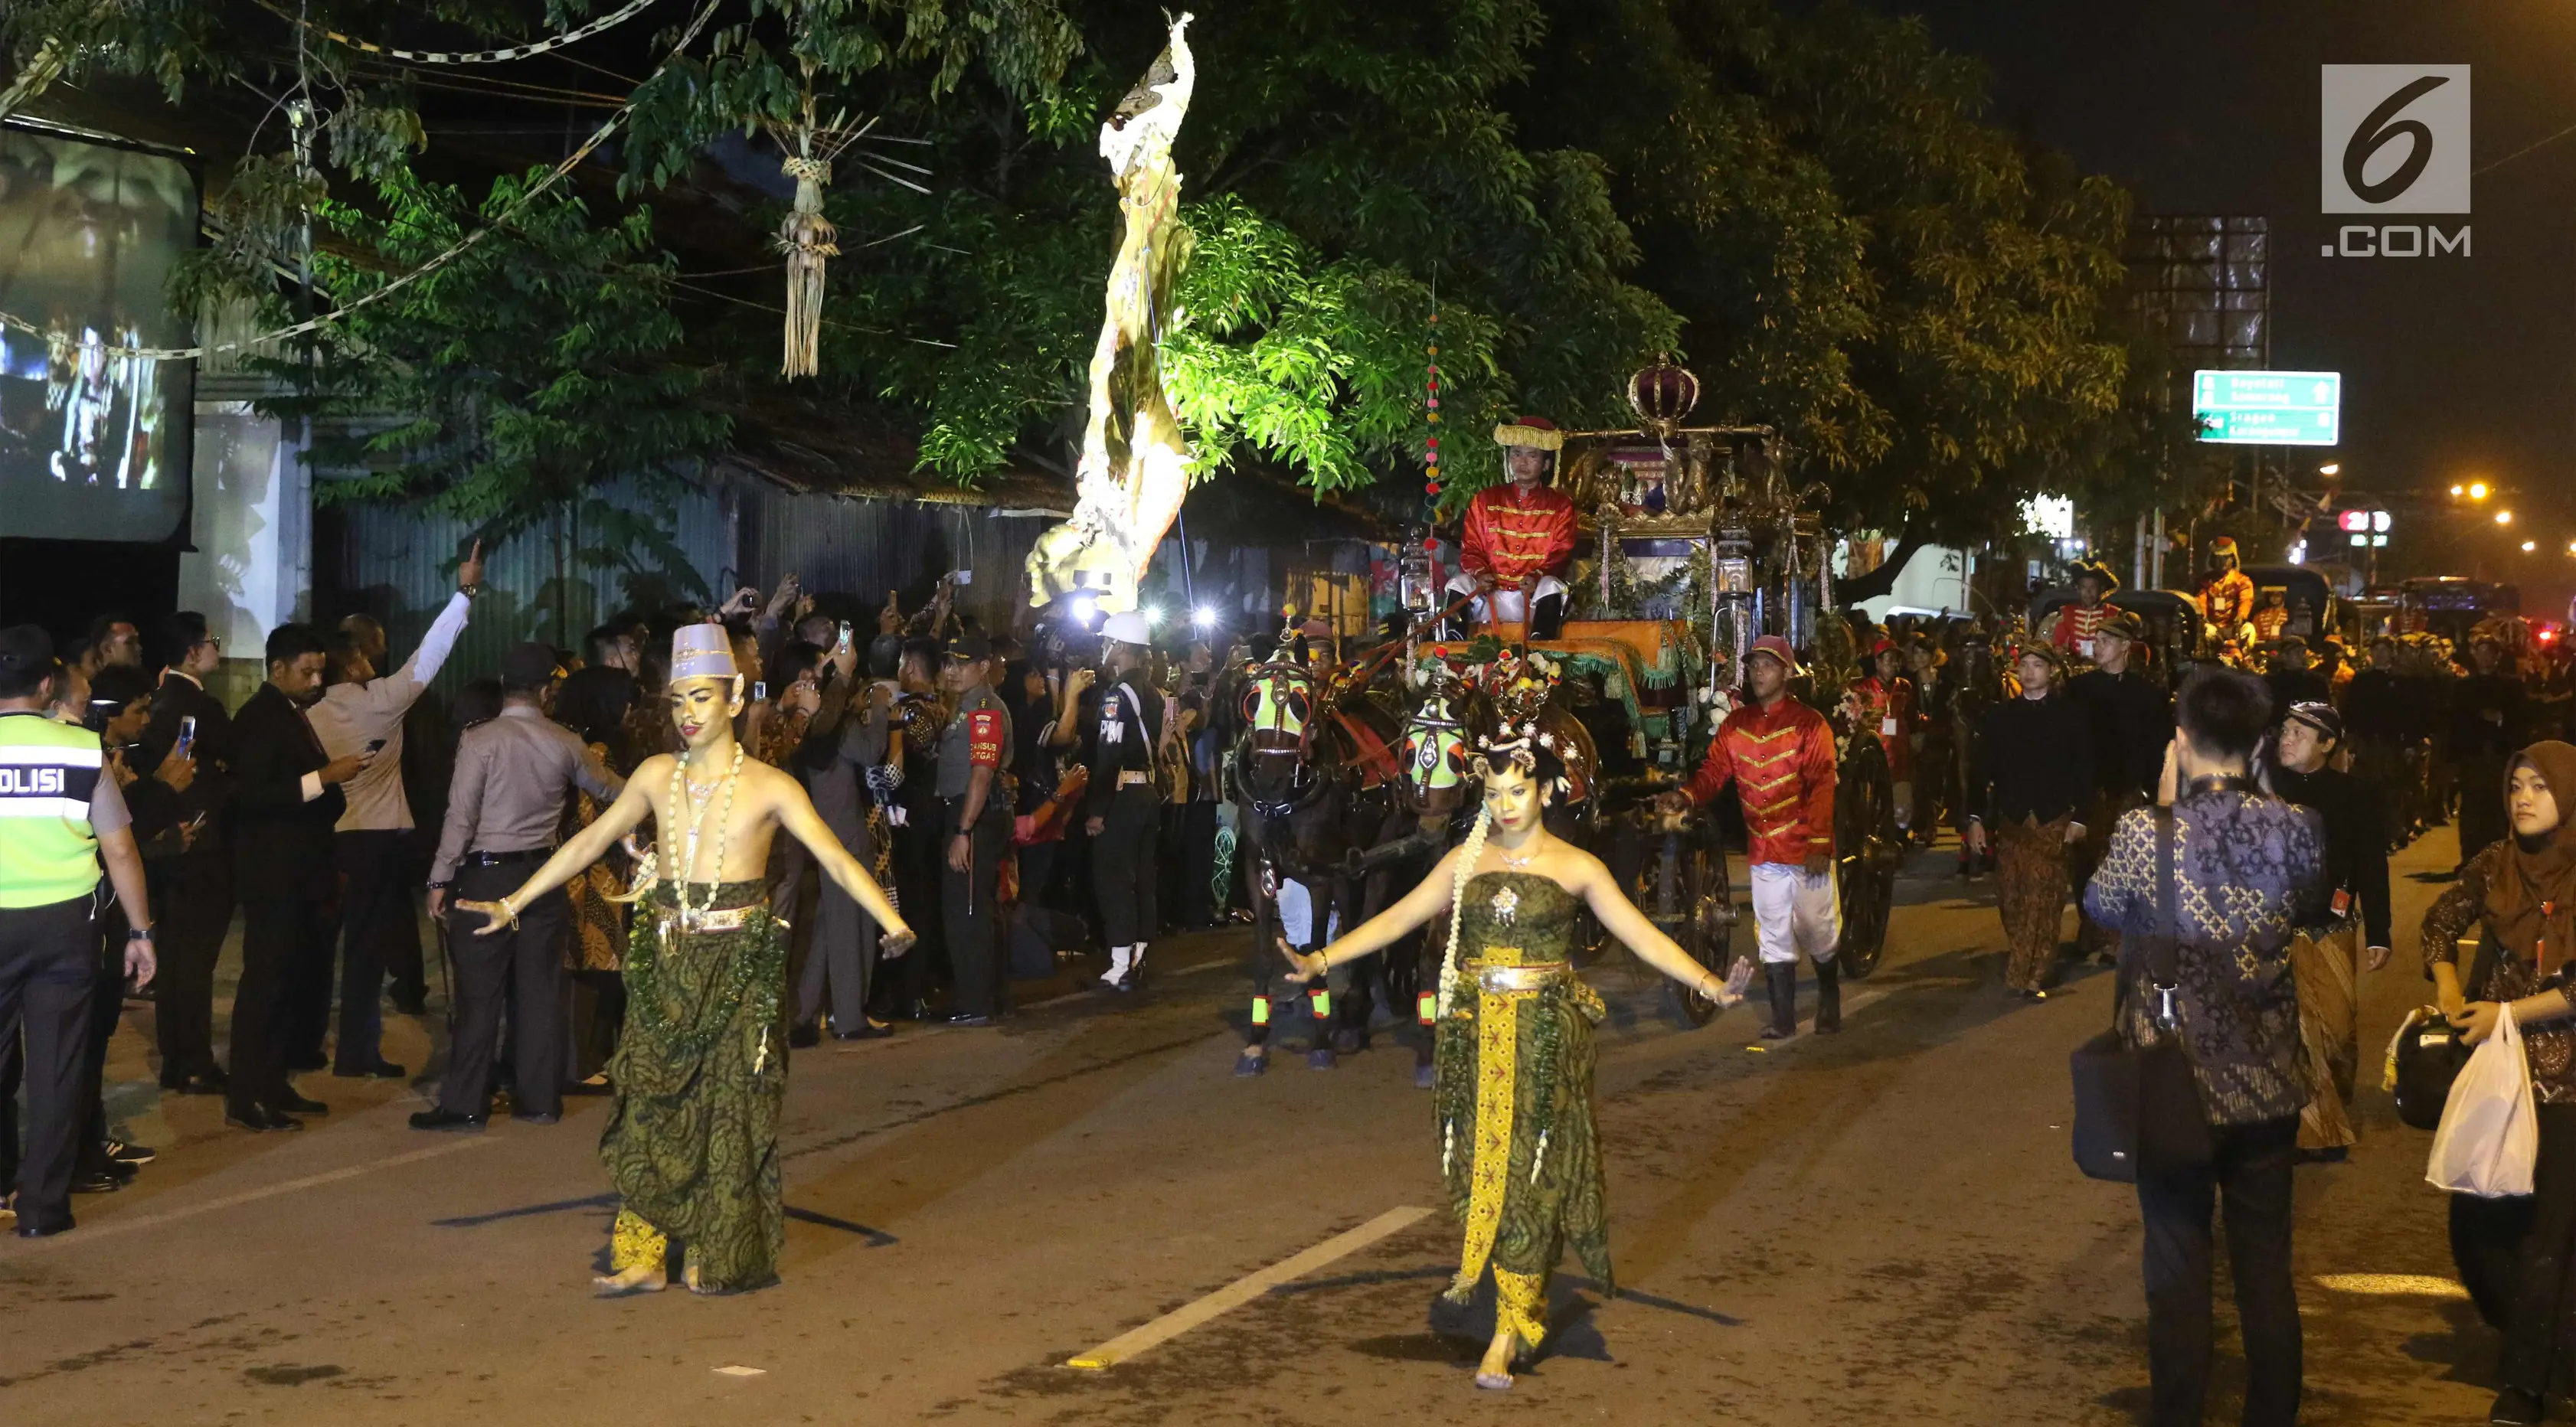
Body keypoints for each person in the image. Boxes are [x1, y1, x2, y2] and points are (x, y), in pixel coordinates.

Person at [450, 624, 915, 1295]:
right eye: (677, 701)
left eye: (701, 698)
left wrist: (891, 921)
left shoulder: (770, 785)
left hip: (741, 961)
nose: (688, 714)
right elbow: (586, 845)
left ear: (732, 702)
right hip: (666, 955)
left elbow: (837, 859)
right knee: (649, 1104)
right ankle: (640, 1253)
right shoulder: (656, 775)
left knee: (729, 1107)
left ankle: (712, 1248)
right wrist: (512, 902)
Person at [1277, 734, 1748, 1389]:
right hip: (1473, 1042)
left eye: (1518, 792)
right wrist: (1321, 962)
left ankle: (1509, 1324)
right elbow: (1400, 918)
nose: (1504, 806)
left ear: (1548, 792)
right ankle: (1506, 1292)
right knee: (1478, 1172)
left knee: (1529, 1176)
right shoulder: (1464, 862)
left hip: (1544, 1042)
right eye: (1493, 794)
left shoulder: (1578, 866)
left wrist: (1710, 984)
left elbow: (1639, 935)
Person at [2083, 667, 2321, 1427]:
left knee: (2178, 1265)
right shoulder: (2297, 826)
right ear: (2257, 743)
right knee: (2263, 1267)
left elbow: (2098, 905)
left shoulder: (2144, 832)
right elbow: (2307, 902)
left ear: (2180, 742)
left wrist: (2161, 803)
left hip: (2174, 1078)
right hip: (2268, 1080)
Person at [2421, 742, 2576, 1425]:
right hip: (2500, 1074)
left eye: (2540, 786)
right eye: (2516, 784)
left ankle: (2527, 1384)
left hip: (2570, 1083)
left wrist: (2507, 1013)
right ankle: (2546, 1347)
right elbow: (2439, 923)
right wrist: (2452, 991)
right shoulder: (2495, 863)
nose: (2524, 797)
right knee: (2478, 1223)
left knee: (2549, 1236)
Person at [415, 645, 623, 1131]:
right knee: (539, 993)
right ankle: (540, 1100)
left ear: (506, 685)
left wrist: (440, 877)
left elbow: (460, 816)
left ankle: (466, 1102)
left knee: (479, 995)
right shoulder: (566, 741)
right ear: (548, 690)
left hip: (486, 876)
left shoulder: (480, 740)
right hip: (543, 879)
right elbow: (612, 789)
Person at [0, 627, 158, 1236]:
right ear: (46, 685)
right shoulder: (81, 750)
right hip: (65, 927)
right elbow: (120, 848)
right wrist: (141, 931)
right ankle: (42, 1209)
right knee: (58, 1068)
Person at [309, 543, 481, 1079]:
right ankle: (357, 1054)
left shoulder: (309, 712)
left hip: (333, 837)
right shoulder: (380, 699)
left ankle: (307, 1043)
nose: (371, 660)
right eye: (363, 656)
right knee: (365, 950)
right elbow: (432, 653)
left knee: (320, 950)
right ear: (353, 663)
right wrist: (465, 591)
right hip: (378, 840)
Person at [226, 625, 372, 1132]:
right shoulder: (260, 718)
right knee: (265, 986)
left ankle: (271, 1083)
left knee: (288, 985)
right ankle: (247, 1095)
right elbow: (249, 796)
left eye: (320, 671)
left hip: (301, 871)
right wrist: (324, 778)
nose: (316, 680)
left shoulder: (289, 714)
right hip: (273, 876)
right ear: (277, 669)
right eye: (306, 671)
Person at [1659, 635, 1839, 1038]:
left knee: (1816, 928)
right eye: (1754, 665)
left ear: (1788, 673)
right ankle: (1783, 1020)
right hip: (1763, 850)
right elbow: (1712, 775)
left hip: (1804, 847)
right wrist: (1685, 796)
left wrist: (1818, 844)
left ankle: (1830, 996)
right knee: (1773, 932)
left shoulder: (1811, 724)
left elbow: (1823, 786)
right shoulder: (1736, 726)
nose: (1758, 672)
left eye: (1768, 665)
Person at [2264, 702, 2389, 1158]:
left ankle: (2332, 1105)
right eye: (2286, 730)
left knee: (2335, 1031)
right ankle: (2312, 1129)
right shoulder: (2262, 791)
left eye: (2300, 732)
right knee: (2288, 1033)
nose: (2288, 738)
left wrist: (2380, 932)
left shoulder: (2356, 795)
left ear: (2327, 744)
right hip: (2273, 931)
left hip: (2330, 928)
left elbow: (2373, 866)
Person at [136, 612, 234, 1096]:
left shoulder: (161, 700)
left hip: (172, 847)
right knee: (193, 962)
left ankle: (178, 1058)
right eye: (212, 641)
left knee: (176, 959)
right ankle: (193, 1060)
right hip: (199, 845)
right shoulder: (195, 704)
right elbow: (226, 765)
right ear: (193, 652)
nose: (218, 648)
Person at [1966, 644, 2094, 998]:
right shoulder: (2000, 717)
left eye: (2038, 665)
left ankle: (2031, 974)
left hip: (2053, 819)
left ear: (2052, 671)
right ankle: (2025, 958)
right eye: (2024, 665)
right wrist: (1975, 818)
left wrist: (2080, 818)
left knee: (2044, 897)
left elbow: (2085, 771)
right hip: (2011, 820)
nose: (2029, 671)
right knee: (2011, 897)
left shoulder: (2071, 716)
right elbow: (1980, 772)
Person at [2066, 612, 2172, 965]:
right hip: (2086, 789)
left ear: (2125, 647)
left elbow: (2160, 747)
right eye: (2096, 641)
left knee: (2119, 863)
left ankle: (2114, 936)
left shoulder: (2148, 695)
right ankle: (2089, 926)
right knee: (2082, 862)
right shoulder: (2079, 690)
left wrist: (2155, 793)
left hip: (2128, 789)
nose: (2097, 647)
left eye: (2106, 642)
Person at [934, 635, 1013, 1026]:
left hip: (975, 816)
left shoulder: (984, 709)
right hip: (969, 813)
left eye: (961, 663)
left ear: (984, 666)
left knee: (968, 911)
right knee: (975, 907)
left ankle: (976, 1001)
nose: (951, 671)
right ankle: (985, 997)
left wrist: (963, 831)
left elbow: (982, 774)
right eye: (948, 663)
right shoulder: (962, 706)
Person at [1443, 417, 1579, 639]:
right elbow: (1471, 548)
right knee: (1459, 582)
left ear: (1546, 464)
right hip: (1489, 598)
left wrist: (1537, 576)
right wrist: (1480, 573)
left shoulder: (1560, 506)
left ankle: (1541, 652)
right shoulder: (1485, 500)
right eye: (1516, 454)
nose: (1522, 462)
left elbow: (1561, 553)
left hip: (1534, 600)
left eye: (1531, 455)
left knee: (1552, 584)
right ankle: (1453, 650)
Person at [1088, 612, 1164, 992]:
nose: (1104, 648)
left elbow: (1109, 755)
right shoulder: (1153, 692)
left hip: (1123, 795)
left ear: (1120, 647)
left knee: (1114, 877)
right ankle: (1139, 953)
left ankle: (1120, 964)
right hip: (1148, 793)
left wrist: (1097, 810)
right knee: (1144, 877)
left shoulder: (1118, 696)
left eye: (1107, 642)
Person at [2454, 635, 2529, 872]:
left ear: (2497, 657)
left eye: (2490, 653)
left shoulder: (2512, 685)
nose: (2485, 658)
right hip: (2472, 755)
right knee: (2471, 809)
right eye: (2480, 652)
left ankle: (2498, 859)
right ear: (2474, 656)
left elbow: (2522, 719)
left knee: (2498, 809)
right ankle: (2470, 859)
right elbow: (2456, 721)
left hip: (2500, 754)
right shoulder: (2463, 686)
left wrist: (2500, 721)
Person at [1849, 639, 1922, 839]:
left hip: (1900, 753)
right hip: (1874, 755)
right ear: (1878, 662)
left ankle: (1899, 836)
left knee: (1901, 800)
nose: (1894, 665)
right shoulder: (1863, 689)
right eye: (1889, 660)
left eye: (1897, 661)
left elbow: (1912, 716)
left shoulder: (1904, 687)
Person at [2048, 559, 2120, 658]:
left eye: (2093, 587)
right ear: (2078, 589)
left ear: (2101, 589)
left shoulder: (2113, 614)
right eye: (2084, 587)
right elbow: (2058, 644)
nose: (2088, 592)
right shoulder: (2066, 613)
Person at [2198, 537, 2256, 651]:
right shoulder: (2205, 581)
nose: (2222, 562)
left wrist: (2241, 616)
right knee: (2205, 631)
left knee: (2250, 630)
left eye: (2226, 558)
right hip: (2213, 628)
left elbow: (2246, 600)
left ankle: (2242, 660)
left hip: (2234, 628)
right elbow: (2201, 601)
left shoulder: (2242, 580)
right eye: (2218, 558)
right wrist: (2203, 619)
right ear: (2212, 560)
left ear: (2233, 558)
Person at [2261, 636, 2331, 727]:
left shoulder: (2317, 681)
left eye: (2303, 652)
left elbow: (2324, 710)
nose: (2301, 657)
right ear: (2284, 656)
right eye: (2296, 653)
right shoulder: (2272, 681)